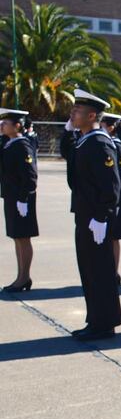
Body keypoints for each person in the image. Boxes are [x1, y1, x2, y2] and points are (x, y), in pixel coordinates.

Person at [62, 89, 121, 341]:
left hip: (97, 218)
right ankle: (96, 319)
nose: (72, 114)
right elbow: (71, 163)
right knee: (89, 270)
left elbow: (111, 185)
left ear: (92, 115)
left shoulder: (99, 142)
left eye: (77, 111)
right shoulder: (85, 139)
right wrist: (67, 132)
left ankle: (104, 324)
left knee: (100, 272)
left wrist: (103, 216)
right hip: (86, 216)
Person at [0, 108, 39, 292]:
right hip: (12, 197)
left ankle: (24, 277)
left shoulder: (23, 145)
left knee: (23, 238)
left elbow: (30, 176)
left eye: (5, 123)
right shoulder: (9, 143)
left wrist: (24, 199)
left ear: (17, 126)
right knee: (17, 237)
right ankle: (21, 276)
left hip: (21, 199)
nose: (2, 125)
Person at [100, 112, 121, 284]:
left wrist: (117, 200)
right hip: (111, 198)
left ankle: (114, 272)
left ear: (111, 127)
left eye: (103, 123)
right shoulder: (103, 142)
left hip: (117, 198)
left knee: (113, 237)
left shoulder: (116, 145)